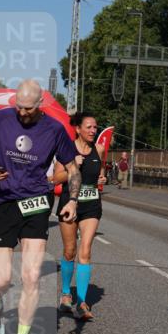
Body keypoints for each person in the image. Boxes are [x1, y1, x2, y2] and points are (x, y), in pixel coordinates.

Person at [0, 79, 79, 334]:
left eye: (28, 108)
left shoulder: (55, 130)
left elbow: (72, 169)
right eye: (18, 106)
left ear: (40, 104)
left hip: (35, 204)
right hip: (1, 202)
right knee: (3, 280)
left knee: (32, 277)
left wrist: (72, 200)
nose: (21, 112)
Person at [52, 113, 108, 321]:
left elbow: (100, 173)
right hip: (69, 204)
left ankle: (82, 301)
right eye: (89, 127)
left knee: (85, 251)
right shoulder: (66, 149)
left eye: (95, 127)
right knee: (70, 251)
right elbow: (55, 178)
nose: (93, 131)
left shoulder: (99, 149)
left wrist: (102, 177)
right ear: (78, 129)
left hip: (91, 204)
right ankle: (66, 293)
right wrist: (72, 165)